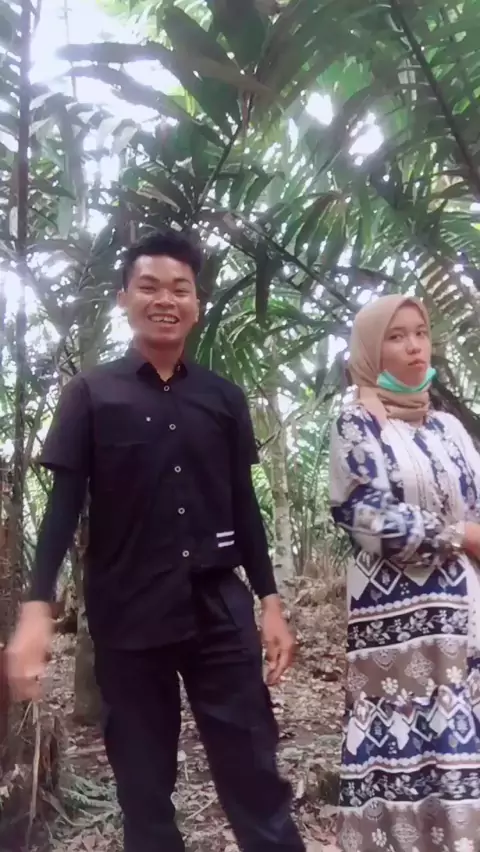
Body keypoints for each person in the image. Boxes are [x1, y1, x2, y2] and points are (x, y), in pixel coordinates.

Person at [7, 230, 305, 852]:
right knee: (144, 794)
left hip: (219, 609)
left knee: (255, 776)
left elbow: (243, 505)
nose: (165, 300)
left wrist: (271, 602)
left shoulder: (223, 398)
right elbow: (63, 507)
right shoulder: (91, 394)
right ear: (124, 298)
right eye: (149, 286)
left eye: (180, 289)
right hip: (127, 612)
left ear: (197, 304)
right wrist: (38, 609)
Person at [330, 294, 480, 852]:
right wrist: (458, 536)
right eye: (396, 336)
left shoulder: (449, 428)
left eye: (420, 332)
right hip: (399, 628)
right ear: (372, 350)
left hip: (465, 616)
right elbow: (367, 517)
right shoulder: (357, 423)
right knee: (407, 751)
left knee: (461, 747)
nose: (415, 346)